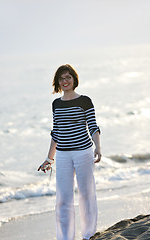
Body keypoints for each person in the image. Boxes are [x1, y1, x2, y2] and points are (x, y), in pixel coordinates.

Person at [38, 64, 101, 240]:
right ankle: (65, 237)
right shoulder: (56, 104)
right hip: (63, 155)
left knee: (86, 194)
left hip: (83, 152)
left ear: (74, 79)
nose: (65, 81)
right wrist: (49, 159)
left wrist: (98, 147)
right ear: (57, 82)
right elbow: (56, 132)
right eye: (61, 78)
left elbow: (93, 126)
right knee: (63, 199)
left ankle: (88, 235)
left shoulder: (85, 101)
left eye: (68, 77)